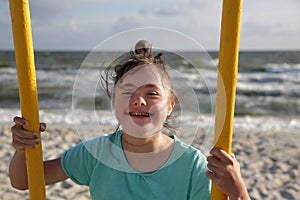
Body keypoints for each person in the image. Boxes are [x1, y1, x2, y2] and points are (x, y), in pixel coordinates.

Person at [9, 40, 250, 200]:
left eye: (152, 93)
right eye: (127, 92)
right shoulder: (95, 154)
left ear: (170, 106)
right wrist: (23, 149)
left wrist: (238, 192)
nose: (139, 100)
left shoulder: (192, 165)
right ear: (114, 104)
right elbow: (24, 181)